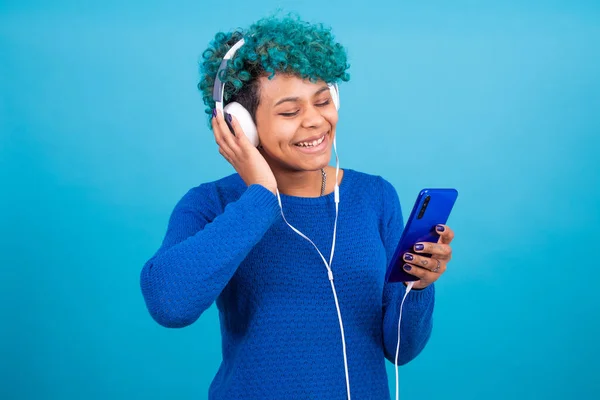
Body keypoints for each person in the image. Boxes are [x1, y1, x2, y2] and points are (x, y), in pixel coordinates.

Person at [140, 14, 455, 400]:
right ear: (241, 125)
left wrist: (418, 286)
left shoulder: (375, 197)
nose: (315, 121)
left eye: (323, 101)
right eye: (290, 112)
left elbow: (400, 350)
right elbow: (169, 305)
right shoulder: (212, 204)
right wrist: (259, 197)